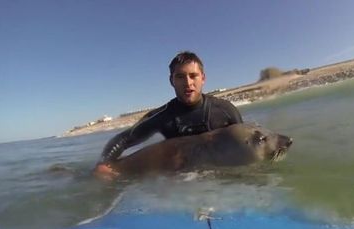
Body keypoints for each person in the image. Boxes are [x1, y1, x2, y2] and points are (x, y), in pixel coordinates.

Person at [95, 51, 243, 175]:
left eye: (193, 75)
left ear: (203, 78)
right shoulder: (162, 116)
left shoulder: (225, 110)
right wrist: (103, 164)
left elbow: (247, 142)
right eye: (180, 77)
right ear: (171, 81)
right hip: (182, 181)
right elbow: (123, 140)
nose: (188, 83)